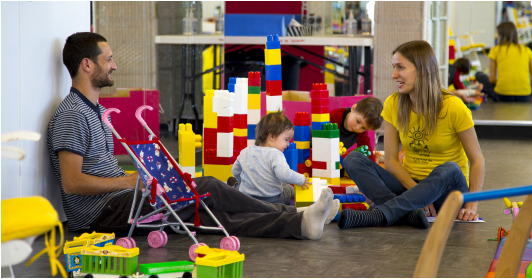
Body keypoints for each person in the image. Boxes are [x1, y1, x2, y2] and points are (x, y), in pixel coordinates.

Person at [47, 32, 336, 240]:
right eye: (108, 59)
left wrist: (136, 181)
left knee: (213, 214)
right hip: (102, 213)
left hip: (123, 199)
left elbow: (97, 169)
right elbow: (72, 183)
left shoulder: (93, 110)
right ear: (87, 65)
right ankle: (297, 215)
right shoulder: (73, 114)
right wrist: (127, 180)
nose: (114, 65)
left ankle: (300, 223)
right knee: (210, 185)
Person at [338, 40, 485, 230]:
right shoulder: (393, 104)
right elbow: (390, 160)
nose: (394, 75)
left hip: (447, 192)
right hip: (409, 186)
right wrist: (419, 193)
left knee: (450, 168)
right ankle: (407, 213)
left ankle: (380, 214)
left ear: (422, 69)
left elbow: (477, 160)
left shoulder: (454, 107)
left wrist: (471, 205)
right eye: (394, 67)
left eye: (400, 67)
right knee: (353, 159)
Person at [231, 112, 313, 206]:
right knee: (289, 188)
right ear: (272, 137)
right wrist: (301, 179)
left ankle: (235, 186)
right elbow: (284, 174)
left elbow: (235, 171)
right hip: (271, 200)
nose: (287, 144)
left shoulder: (246, 151)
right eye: (286, 139)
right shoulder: (276, 154)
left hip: (246, 198)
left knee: (238, 187)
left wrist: (244, 181)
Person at [489, 22, 532, 102]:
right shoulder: (527, 50)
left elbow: (492, 79)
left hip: (503, 96)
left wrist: (505, 84)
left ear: (500, 35)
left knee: (480, 75)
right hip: (524, 96)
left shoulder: (495, 50)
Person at [329, 97, 383, 165]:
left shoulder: (361, 133)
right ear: (353, 108)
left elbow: (366, 149)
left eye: (363, 128)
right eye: (358, 121)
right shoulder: (333, 117)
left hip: (337, 160)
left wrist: (372, 166)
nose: (357, 128)